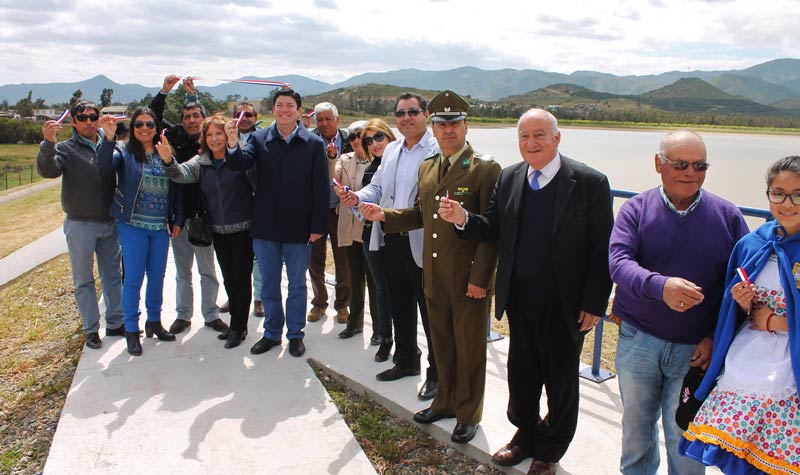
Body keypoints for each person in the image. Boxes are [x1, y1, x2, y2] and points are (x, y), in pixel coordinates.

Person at [440, 108, 613, 474]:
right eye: (524, 136)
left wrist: (595, 303)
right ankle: (524, 434)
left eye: (539, 134)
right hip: (519, 298)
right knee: (522, 373)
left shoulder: (589, 182)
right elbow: (494, 227)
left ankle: (550, 451)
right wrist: (463, 219)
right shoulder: (511, 176)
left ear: (556, 138)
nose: (531, 142)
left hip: (566, 305)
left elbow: (603, 249)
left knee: (561, 380)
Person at [360, 90, 500, 444]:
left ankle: (468, 414)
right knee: (443, 345)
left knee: (469, 350)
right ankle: (445, 402)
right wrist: (383, 215)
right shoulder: (429, 167)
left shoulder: (485, 168)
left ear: (466, 126)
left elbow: (493, 231)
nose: (448, 130)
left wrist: (481, 279)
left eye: (455, 123)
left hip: (467, 278)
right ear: (434, 129)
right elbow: (420, 215)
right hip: (434, 274)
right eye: (441, 124)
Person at [608, 130, 749, 475]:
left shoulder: (729, 216)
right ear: (659, 164)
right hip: (638, 340)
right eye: (681, 164)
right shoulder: (635, 209)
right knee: (636, 432)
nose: (691, 173)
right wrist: (662, 287)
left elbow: (741, 285)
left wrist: (715, 337)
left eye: (700, 166)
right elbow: (619, 263)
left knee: (685, 436)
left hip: (696, 351)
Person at [679, 155, 800, 475]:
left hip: (790, 370)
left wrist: (772, 321)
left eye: (798, 195)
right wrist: (742, 303)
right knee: (738, 456)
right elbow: (735, 312)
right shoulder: (752, 244)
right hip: (746, 360)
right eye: (778, 193)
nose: (787, 204)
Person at [338, 92, 440, 401]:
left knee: (430, 312)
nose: (406, 118)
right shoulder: (393, 150)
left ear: (425, 115)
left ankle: (437, 374)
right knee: (399, 303)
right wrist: (357, 196)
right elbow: (377, 186)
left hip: (424, 243)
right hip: (392, 239)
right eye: (400, 113)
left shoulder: (437, 149)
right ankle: (407, 360)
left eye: (413, 112)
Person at [225, 88, 328, 358]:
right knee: (269, 284)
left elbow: (321, 188)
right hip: (266, 226)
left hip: (300, 227)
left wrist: (318, 225)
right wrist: (233, 142)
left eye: (289, 105)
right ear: (273, 110)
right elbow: (239, 163)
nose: (284, 110)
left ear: (299, 111)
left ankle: (295, 334)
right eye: (279, 105)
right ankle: (271, 333)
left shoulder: (313, 144)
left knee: (296, 285)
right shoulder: (259, 139)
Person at [36, 99, 123, 350]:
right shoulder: (65, 149)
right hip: (81, 224)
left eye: (93, 117)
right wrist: (48, 143)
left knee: (113, 276)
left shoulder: (110, 143)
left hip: (109, 222)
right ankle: (91, 329)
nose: (88, 122)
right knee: (84, 279)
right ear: (73, 122)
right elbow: (48, 171)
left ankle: (115, 322)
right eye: (82, 118)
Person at [96, 108, 184, 356]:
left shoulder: (164, 151)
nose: (144, 128)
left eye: (149, 124)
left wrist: (177, 218)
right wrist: (108, 138)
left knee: (157, 277)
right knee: (134, 279)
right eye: (139, 124)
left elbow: (177, 185)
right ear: (133, 128)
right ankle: (132, 330)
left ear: (156, 128)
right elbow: (103, 166)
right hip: (132, 225)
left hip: (159, 227)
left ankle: (154, 321)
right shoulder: (123, 152)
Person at [164, 114, 254, 349]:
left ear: (228, 134)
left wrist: (234, 147)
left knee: (241, 279)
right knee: (229, 279)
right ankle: (237, 323)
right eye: (210, 134)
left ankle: (238, 326)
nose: (214, 139)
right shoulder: (201, 162)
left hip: (244, 229)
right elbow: (179, 174)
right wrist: (168, 160)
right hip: (217, 230)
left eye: (219, 134)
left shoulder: (241, 158)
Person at [150, 75, 226, 336]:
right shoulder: (175, 136)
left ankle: (211, 314)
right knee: (183, 271)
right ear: (181, 121)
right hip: (180, 217)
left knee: (207, 270)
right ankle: (183, 315)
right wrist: (164, 92)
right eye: (187, 117)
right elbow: (154, 117)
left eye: (196, 116)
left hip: (206, 216)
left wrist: (193, 95)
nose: (192, 120)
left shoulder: (210, 141)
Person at [334, 120, 379, 341]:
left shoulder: (379, 160)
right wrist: (330, 158)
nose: (355, 140)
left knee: (375, 281)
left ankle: (380, 330)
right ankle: (355, 323)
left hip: (371, 228)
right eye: (351, 136)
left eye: (359, 135)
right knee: (354, 277)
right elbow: (333, 177)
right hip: (350, 228)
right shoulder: (344, 159)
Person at [308, 102, 352, 325]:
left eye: (328, 119)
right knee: (314, 260)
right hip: (315, 209)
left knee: (343, 259)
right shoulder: (309, 140)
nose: (324, 123)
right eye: (320, 120)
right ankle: (319, 302)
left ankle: (342, 304)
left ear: (337, 119)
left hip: (341, 209)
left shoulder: (350, 139)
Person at [358, 118, 397, 361]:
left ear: (389, 136)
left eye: (378, 137)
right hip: (371, 235)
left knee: (402, 291)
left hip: (398, 234)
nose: (374, 144)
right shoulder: (371, 170)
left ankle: (405, 343)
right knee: (381, 288)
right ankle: (385, 338)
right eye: (368, 140)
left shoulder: (406, 162)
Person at [233, 101, 264, 319]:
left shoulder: (263, 139)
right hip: (233, 206)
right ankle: (235, 295)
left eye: (248, 115)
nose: (243, 119)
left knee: (258, 255)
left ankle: (259, 298)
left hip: (258, 204)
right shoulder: (226, 138)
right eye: (239, 115)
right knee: (237, 256)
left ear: (256, 117)